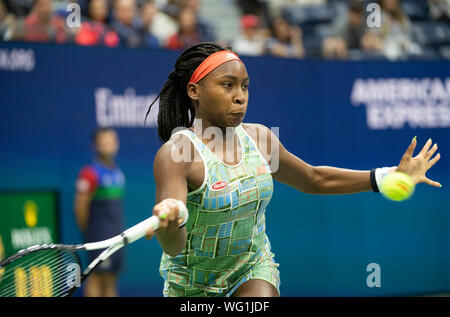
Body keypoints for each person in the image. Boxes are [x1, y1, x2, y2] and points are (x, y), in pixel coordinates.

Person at [143, 42, 441, 297]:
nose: (240, 96)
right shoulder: (177, 154)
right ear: (194, 90)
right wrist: (170, 227)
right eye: (227, 85)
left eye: (245, 86)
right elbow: (173, 247)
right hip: (192, 286)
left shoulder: (259, 139)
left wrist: (389, 176)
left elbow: (312, 178)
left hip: (251, 268)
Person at [74, 128, 126, 297]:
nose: (108, 145)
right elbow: (80, 206)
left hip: (117, 234)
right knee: (96, 277)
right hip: (99, 235)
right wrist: (90, 232)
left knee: (111, 278)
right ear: (95, 146)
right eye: (103, 142)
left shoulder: (116, 171)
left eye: (112, 141)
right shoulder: (90, 173)